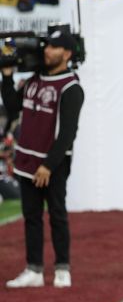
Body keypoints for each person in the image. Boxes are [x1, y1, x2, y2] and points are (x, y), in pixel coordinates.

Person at [2, 26, 84, 288]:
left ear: (67, 53)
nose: (47, 51)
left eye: (54, 47)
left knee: (57, 215)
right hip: (26, 160)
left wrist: (48, 165)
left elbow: (68, 133)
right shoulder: (34, 80)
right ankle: (34, 269)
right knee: (31, 217)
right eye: (46, 46)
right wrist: (6, 76)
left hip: (52, 165)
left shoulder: (71, 87)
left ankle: (62, 268)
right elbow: (14, 108)